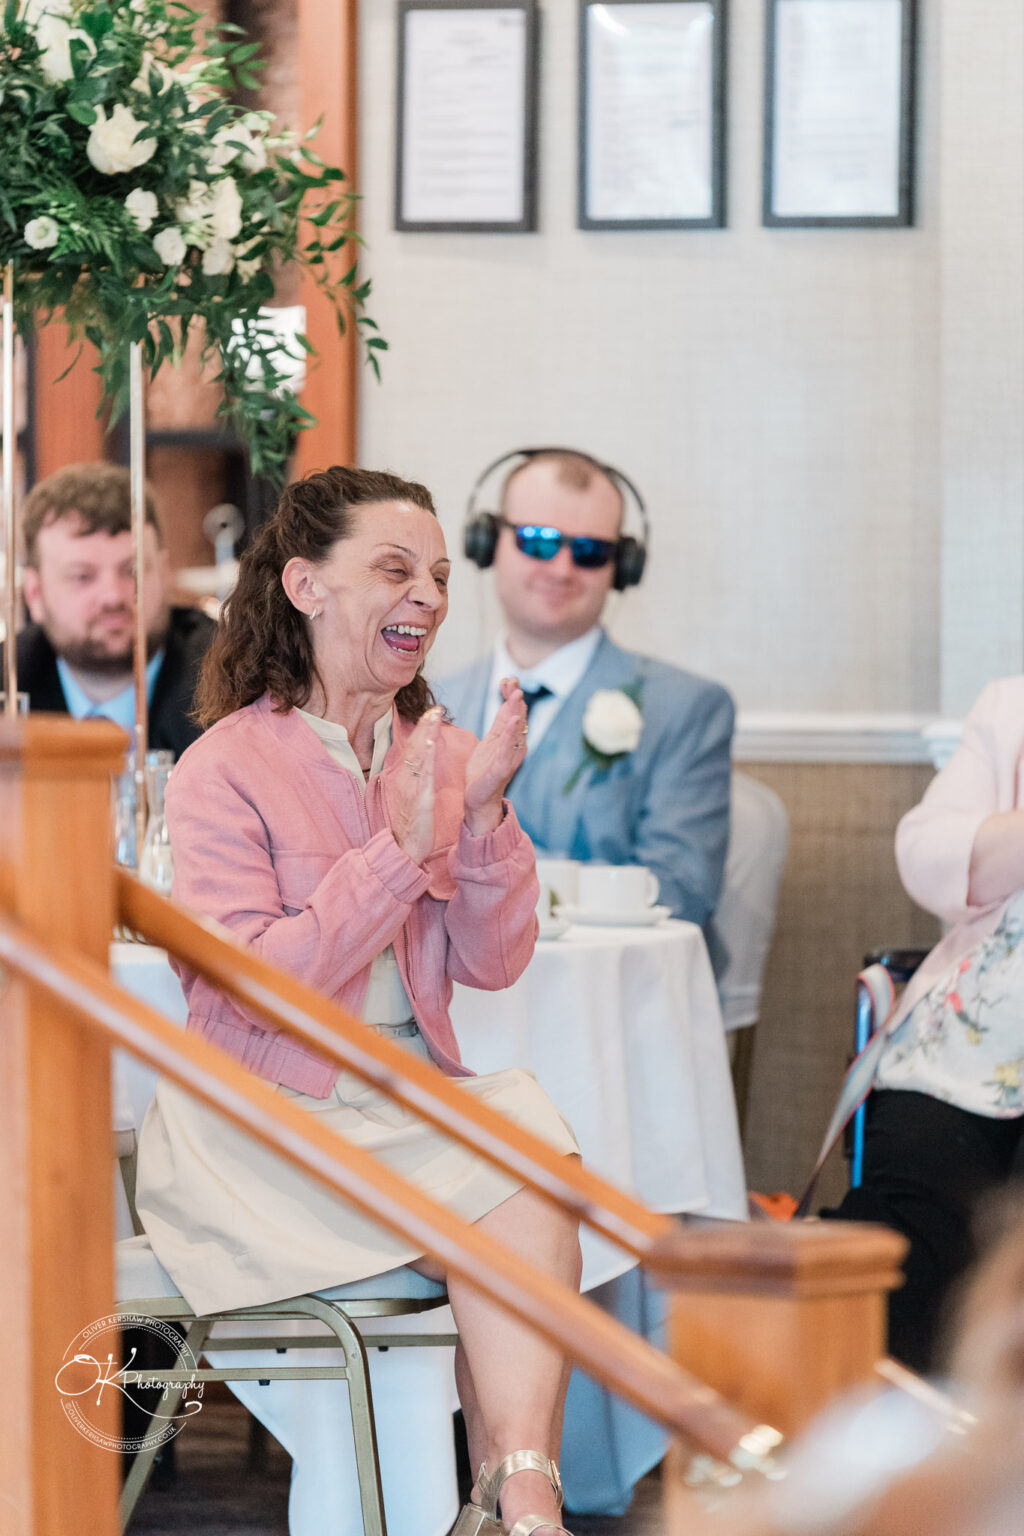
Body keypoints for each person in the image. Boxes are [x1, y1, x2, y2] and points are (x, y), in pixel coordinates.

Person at [135, 465, 583, 1536]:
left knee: (530, 1156)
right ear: (305, 584)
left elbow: (496, 958)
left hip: (402, 1103)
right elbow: (255, 986)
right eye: (394, 569)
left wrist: (479, 822)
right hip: (261, 1122)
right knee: (522, 1173)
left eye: (436, 575)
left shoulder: (441, 751)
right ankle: (513, 1506)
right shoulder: (221, 768)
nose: (427, 596)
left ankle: (520, 1500)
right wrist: (399, 847)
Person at [438, 449, 734, 952]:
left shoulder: (688, 709)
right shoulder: (428, 703)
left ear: (622, 567)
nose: (562, 567)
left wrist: (486, 872)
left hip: (608, 1004)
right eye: (538, 541)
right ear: (487, 543)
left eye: (591, 551)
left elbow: (682, 892)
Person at [826, 676, 1024, 1372]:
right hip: (962, 1050)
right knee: (905, 1218)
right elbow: (928, 853)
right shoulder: (1009, 706)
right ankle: (908, 1462)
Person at [9, 462, 213, 756]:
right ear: (35, 594)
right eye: (83, 576)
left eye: (132, 571)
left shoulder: (234, 685)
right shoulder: (11, 683)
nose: (113, 597)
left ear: (165, 573)